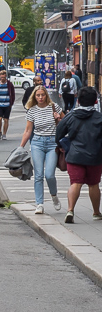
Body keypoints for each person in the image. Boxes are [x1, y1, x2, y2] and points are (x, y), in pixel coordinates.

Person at [54, 86, 102, 224]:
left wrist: (62, 145)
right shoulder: (99, 118)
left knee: (75, 183)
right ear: (95, 102)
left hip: (75, 156)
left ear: (78, 101)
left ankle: (70, 210)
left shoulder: (71, 116)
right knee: (93, 184)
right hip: (95, 156)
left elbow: (59, 134)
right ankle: (96, 212)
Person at [19, 85, 63, 214]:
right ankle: (39, 204)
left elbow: (66, 122)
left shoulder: (54, 107)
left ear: (46, 95)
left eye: (42, 95)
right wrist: (21, 147)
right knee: (38, 175)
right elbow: (28, 130)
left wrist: (58, 118)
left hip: (52, 144)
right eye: (38, 95)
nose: (40, 97)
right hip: (37, 143)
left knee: (49, 174)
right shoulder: (32, 110)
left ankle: (54, 196)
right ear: (34, 96)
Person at [0, 69, 16, 141]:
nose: (2, 79)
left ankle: (4, 134)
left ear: (6, 76)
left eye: (4, 77)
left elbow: (12, 94)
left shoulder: (9, 84)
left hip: (7, 104)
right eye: (1, 77)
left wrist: (11, 103)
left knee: (6, 120)